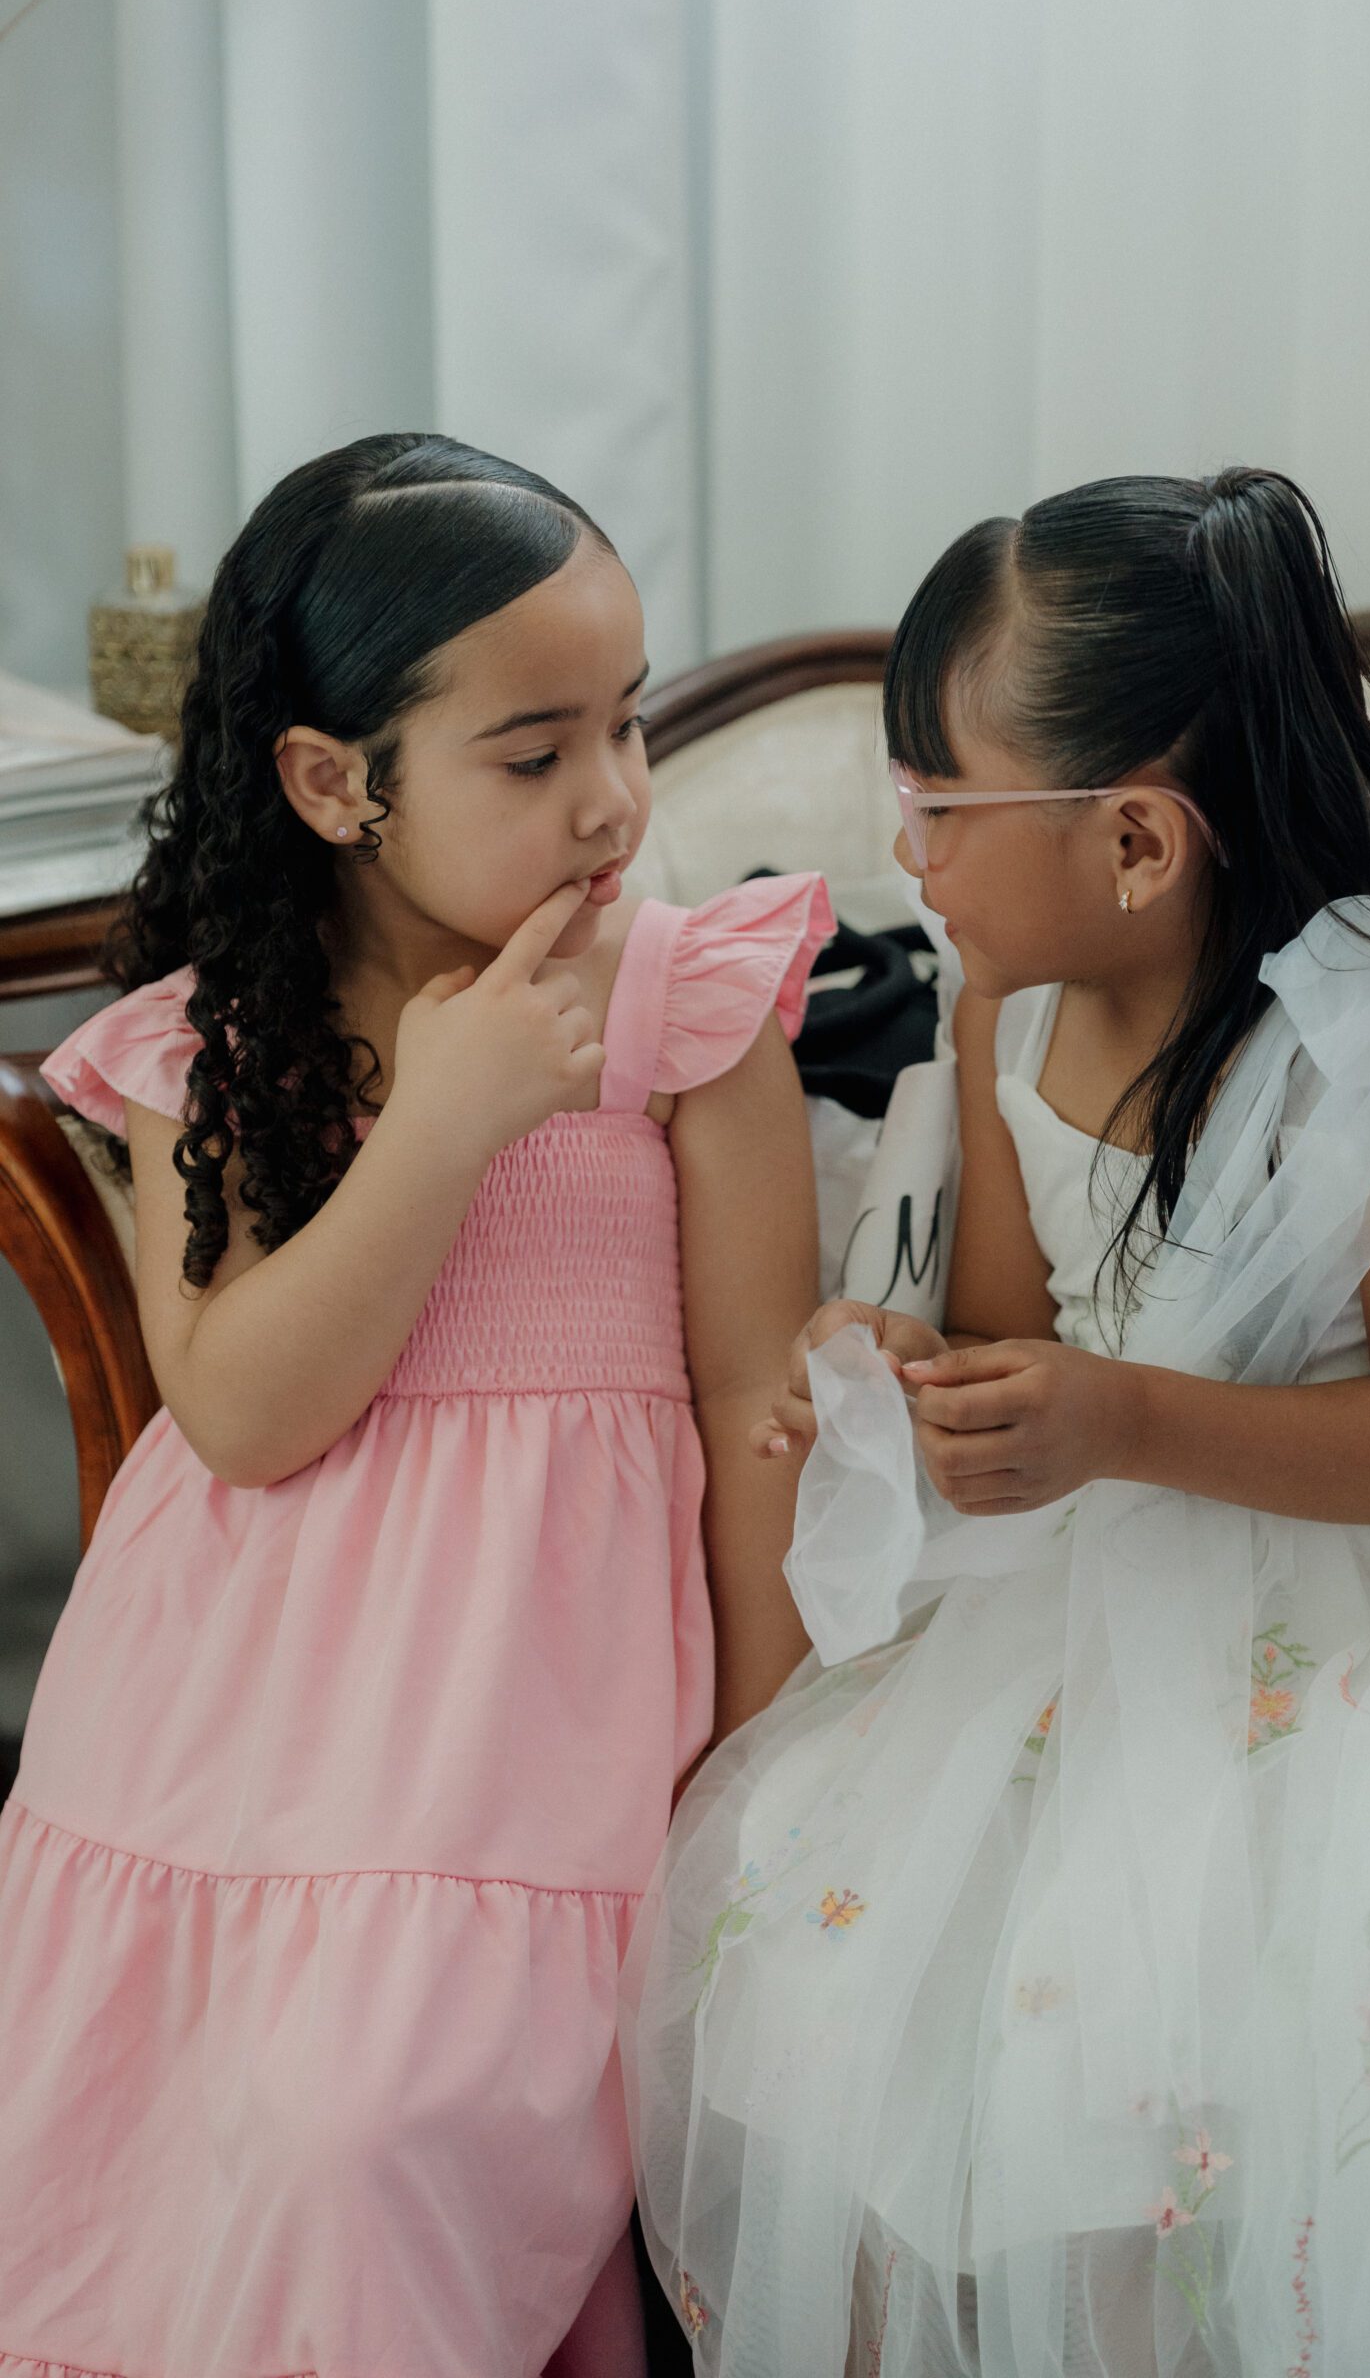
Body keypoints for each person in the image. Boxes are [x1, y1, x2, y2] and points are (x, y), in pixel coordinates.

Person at [624, 468, 1370, 2376]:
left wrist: (1118, 1418)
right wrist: (897, 1360)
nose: (909, 857)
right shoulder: (1002, 1005)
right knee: (856, 1987)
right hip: (1092, 1587)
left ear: (1135, 840)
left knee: (1261, 2040)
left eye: (938, 809)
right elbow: (1009, 1332)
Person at [0, 434, 829, 2378]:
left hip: (525, 1737)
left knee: (364, 2136)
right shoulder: (213, 1049)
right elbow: (241, 1413)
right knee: (193, 2146)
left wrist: (760, 1773)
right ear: (332, 781)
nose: (615, 797)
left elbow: (753, 1398)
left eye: (626, 724)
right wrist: (441, 1125)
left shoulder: (685, 1012)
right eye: (534, 756)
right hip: (237, 1727)